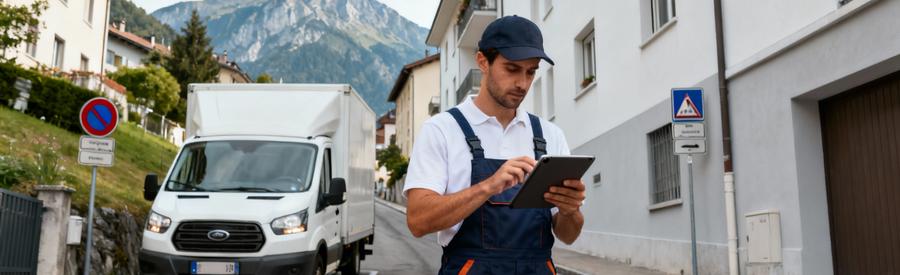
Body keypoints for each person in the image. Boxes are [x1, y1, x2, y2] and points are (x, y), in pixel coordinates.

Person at [404, 15, 586, 275]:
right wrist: (489, 185)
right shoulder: (442, 130)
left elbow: (568, 235)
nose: (522, 83)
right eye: (512, 69)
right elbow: (417, 221)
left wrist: (570, 212)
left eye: (531, 71)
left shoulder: (550, 136)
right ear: (483, 62)